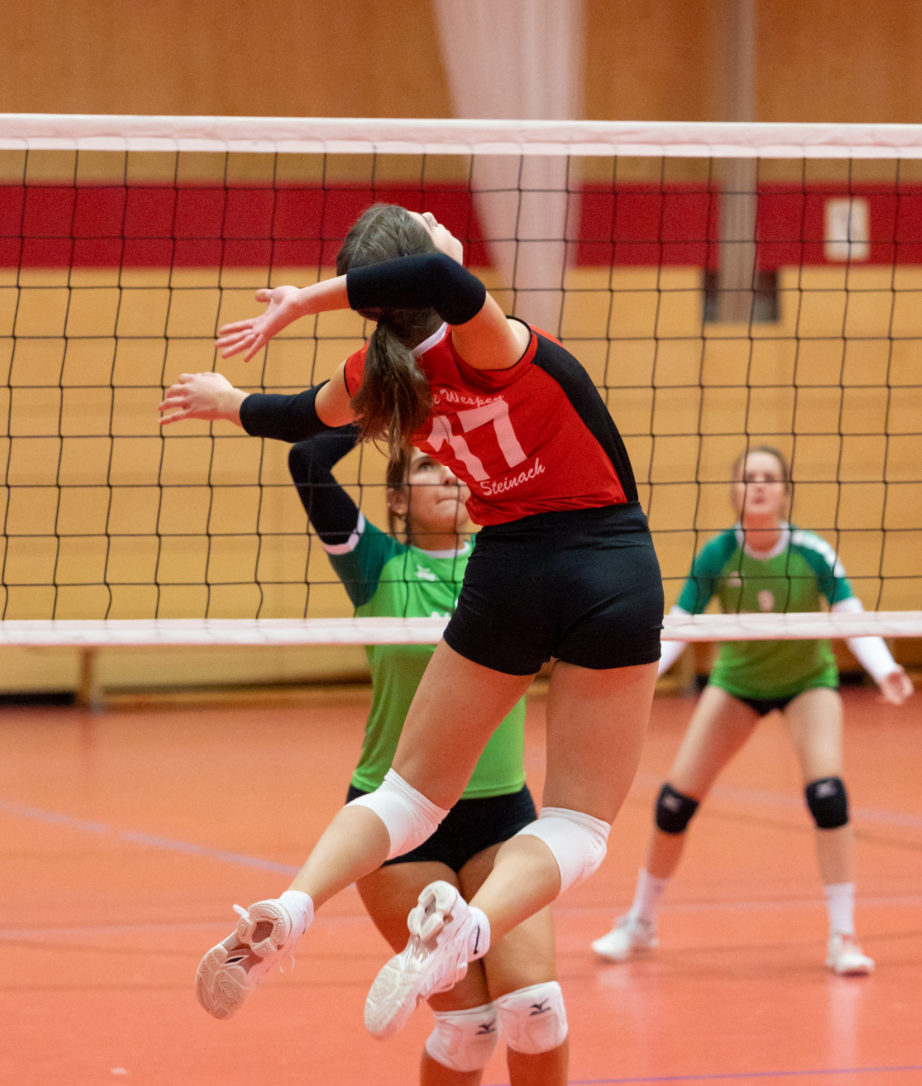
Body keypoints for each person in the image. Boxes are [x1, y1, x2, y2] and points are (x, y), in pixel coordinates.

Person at [159, 202, 664, 1040]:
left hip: (508, 570)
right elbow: (436, 280)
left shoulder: (377, 376)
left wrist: (229, 402)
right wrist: (298, 303)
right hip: (605, 563)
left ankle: (289, 907)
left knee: (405, 796)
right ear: (424, 264)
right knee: (578, 823)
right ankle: (467, 930)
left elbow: (293, 418)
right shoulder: (485, 339)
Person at [591, 446, 914, 974]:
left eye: (769, 478)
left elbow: (850, 616)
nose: (759, 486)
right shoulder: (719, 555)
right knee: (674, 803)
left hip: (808, 682)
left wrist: (885, 670)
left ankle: (843, 935)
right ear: (734, 492)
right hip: (737, 683)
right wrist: (640, 677)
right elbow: (681, 622)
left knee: (827, 795)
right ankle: (640, 922)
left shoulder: (813, 552)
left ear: (785, 491)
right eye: (749, 478)